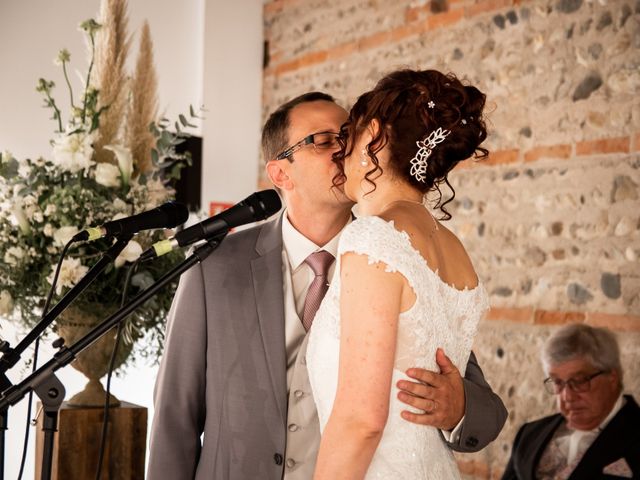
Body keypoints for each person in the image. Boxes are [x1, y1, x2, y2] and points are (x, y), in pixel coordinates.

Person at [147, 88, 507, 479]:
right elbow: (174, 417)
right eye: (322, 141)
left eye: (347, 135)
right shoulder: (212, 266)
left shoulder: (396, 253)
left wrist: (459, 409)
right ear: (280, 173)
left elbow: (478, 400)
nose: (342, 149)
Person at [304, 69, 492, 479]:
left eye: (348, 134)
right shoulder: (453, 248)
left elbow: (361, 420)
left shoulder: (373, 238)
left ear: (372, 136)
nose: (340, 152)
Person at [502, 324, 639, 479]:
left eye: (580, 381)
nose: (567, 396)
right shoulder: (529, 435)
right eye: (558, 382)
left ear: (612, 378)